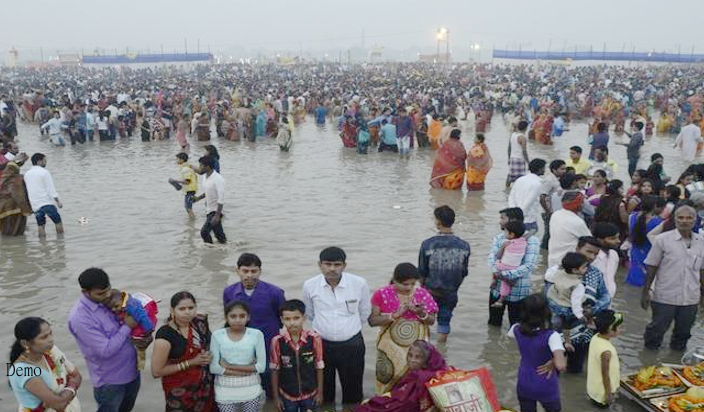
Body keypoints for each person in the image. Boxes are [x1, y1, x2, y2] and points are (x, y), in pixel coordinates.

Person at [68, 268, 145, 412]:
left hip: (133, 372)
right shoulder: (81, 318)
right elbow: (105, 351)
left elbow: (130, 318)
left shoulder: (110, 300)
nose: (107, 295)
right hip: (111, 383)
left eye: (108, 289)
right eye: (100, 293)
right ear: (85, 292)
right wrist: (128, 326)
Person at [302, 246, 371, 405]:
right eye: (327, 264)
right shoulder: (310, 285)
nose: (332, 269)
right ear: (319, 265)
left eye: (337, 264)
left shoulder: (359, 283)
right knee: (324, 391)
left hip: (352, 344)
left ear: (344, 265)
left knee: (353, 391)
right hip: (321, 344)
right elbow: (310, 313)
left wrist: (347, 329)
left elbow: (364, 312)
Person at [223, 253, 286, 398]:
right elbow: (229, 320)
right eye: (245, 271)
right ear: (237, 271)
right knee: (244, 388)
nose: (249, 275)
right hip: (240, 349)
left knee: (271, 386)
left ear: (260, 271)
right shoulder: (229, 292)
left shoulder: (275, 293)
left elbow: (282, 319)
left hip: (268, 347)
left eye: (254, 271)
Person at [641, 205, 704, 350]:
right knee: (656, 331)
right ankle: (649, 361)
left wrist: (702, 297)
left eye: (689, 218)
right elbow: (652, 267)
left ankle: (676, 364)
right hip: (665, 296)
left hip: (690, 298)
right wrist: (645, 292)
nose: (684, 221)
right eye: (680, 217)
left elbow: (702, 271)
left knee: (683, 334)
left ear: (695, 220)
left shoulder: (701, 242)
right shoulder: (662, 240)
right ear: (674, 219)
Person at [368, 263, 438, 393]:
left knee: (415, 379)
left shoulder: (422, 294)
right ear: (395, 280)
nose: (409, 287)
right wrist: (395, 315)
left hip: (416, 348)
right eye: (405, 284)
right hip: (389, 348)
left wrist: (421, 314)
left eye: (413, 284)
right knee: (387, 376)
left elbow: (432, 321)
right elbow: (372, 321)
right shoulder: (381, 294)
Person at [151, 291, 215, 412]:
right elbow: (157, 371)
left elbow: (210, 345)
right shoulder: (166, 334)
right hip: (179, 392)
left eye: (191, 308)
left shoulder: (199, 323)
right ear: (172, 310)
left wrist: (208, 355)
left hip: (205, 387)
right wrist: (191, 362)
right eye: (182, 308)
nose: (187, 312)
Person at [418, 206, 471, 347]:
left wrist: (422, 289)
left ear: (438, 222)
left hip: (430, 290)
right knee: (444, 321)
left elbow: (422, 271)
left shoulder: (427, 244)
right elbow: (464, 271)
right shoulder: (464, 246)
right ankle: (442, 351)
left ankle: (426, 350)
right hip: (451, 291)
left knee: (425, 320)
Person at [9, 317, 82, 412]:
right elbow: (59, 405)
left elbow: (77, 375)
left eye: (50, 333)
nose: (51, 339)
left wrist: (66, 393)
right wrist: (72, 386)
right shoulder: (22, 370)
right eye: (44, 337)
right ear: (25, 343)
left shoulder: (52, 351)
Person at [508, 294, 566, 412]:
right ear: (546, 312)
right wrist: (554, 360)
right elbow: (561, 365)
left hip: (524, 382)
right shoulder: (552, 336)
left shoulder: (515, 329)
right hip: (546, 384)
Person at [353, 340, 447, 412]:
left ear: (426, 361)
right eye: (410, 355)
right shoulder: (435, 373)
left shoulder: (420, 378)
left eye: (417, 357)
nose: (412, 360)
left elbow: (406, 403)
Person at [210, 300, 267, 412]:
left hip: (251, 391)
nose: (238, 320)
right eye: (233, 316)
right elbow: (214, 368)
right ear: (226, 318)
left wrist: (228, 366)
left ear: (248, 317)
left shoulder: (256, 334)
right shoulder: (217, 335)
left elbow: (261, 367)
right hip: (224, 392)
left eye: (242, 316)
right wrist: (247, 371)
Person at [270, 299, 325, 412]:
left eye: (296, 318)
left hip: (310, 394)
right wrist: (276, 398)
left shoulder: (314, 338)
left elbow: (319, 367)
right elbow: (275, 370)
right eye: (287, 319)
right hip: (287, 395)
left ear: (303, 318)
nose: (292, 322)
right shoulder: (277, 341)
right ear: (281, 320)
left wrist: (320, 392)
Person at [488, 207, 539, 326]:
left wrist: (503, 275)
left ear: (514, 221)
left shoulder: (532, 241)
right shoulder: (500, 238)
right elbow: (492, 258)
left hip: (519, 291)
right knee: (493, 324)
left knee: (517, 326)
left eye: (503, 218)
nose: (500, 221)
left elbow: (529, 265)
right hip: (497, 289)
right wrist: (498, 273)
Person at [546, 253, 591, 352]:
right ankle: (567, 341)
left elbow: (548, 277)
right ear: (575, 270)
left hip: (553, 301)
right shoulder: (578, 285)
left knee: (552, 322)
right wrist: (579, 315)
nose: (587, 268)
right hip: (565, 306)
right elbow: (575, 303)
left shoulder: (559, 272)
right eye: (584, 267)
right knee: (567, 325)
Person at [105, 290, 158, 370]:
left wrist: (148, 330)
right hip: (136, 325)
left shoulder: (132, 306)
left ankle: (140, 367)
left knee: (140, 348)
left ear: (121, 300)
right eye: (111, 308)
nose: (113, 309)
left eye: (116, 306)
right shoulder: (121, 303)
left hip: (145, 329)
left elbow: (143, 317)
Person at [627, 196, 666, 286]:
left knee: (633, 280)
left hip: (635, 252)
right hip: (650, 253)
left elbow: (630, 235)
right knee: (648, 282)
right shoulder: (659, 222)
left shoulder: (631, 217)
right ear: (655, 206)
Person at [547, 192, 592, 268]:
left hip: (552, 259)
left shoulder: (556, 214)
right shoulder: (577, 222)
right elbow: (589, 240)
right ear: (578, 205)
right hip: (568, 262)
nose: (583, 205)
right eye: (582, 202)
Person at [587, 311, 622, 407]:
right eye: (619, 327)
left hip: (594, 386)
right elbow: (605, 373)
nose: (621, 329)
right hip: (602, 391)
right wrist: (608, 394)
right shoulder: (606, 351)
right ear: (610, 329)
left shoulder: (596, 337)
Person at [24, 153, 63, 237]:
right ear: (39, 161)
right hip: (46, 202)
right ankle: (61, 242)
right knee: (58, 221)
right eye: (44, 160)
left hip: (35, 204)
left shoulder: (27, 174)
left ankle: (42, 244)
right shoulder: (44, 172)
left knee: (40, 225)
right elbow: (51, 189)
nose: (46, 162)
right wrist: (58, 202)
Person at [490, 221, 527, 308]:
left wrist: (502, 247)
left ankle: (494, 280)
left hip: (504, 266)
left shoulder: (507, 243)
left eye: (506, 231)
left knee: (495, 264)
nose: (504, 233)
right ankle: (501, 299)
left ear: (511, 234)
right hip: (515, 267)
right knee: (505, 284)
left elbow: (499, 256)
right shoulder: (524, 242)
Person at [508, 158, 546, 237]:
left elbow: (511, 197)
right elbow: (529, 201)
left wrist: (513, 213)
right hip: (528, 218)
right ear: (540, 169)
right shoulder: (537, 183)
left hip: (514, 217)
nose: (544, 170)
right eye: (544, 168)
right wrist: (521, 215)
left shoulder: (520, 179)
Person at [195, 155, 226, 244]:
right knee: (219, 236)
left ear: (207, 167)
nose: (199, 168)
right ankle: (223, 251)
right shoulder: (205, 177)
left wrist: (217, 215)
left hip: (215, 211)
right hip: (209, 210)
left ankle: (210, 250)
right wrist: (198, 198)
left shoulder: (218, 179)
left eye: (201, 165)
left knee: (204, 232)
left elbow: (221, 198)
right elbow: (207, 192)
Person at [540, 160, 567, 249]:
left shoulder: (556, 179)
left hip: (554, 211)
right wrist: (548, 211)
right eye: (562, 169)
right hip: (548, 211)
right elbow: (542, 197)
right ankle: (543, 252)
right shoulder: (549, 180)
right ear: (554, 170)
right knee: (548, 234)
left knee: (552, 233)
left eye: (565, 169)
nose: (564, 171)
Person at [591, 222, 622, 298]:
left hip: (608, 299)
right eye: (613, 238)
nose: (618, 241)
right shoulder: (592, 258)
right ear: (600, 240)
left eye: (618, 237)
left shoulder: (614, 255)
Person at [0, 162, 32, 236]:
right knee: (16, 229)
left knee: (5, 229)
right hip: (15, 208)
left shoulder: (3, 179)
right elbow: (18, 194)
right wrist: (26, 208)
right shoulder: (18, 179)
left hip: (2, 208)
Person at [169, 153, 198, 219]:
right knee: (187, 207)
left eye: (177, 159)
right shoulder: (186, 167)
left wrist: (175, 181)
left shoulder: (185, 169)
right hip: (190, 190)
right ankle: (192, 221)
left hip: (190, 190)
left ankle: (192, 221)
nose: (176, 161)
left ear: (182, 160)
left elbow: (187, 181)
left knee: (188, 207)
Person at [506, 120, 530, 187]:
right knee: (520, 179)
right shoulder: (522, 137)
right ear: (525, 128)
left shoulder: (513, 135)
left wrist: (509, 158)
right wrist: (528, 162)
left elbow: (509, 149)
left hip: (512, 158)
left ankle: (506, 190)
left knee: (511, 176)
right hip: (519, 159)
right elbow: (524, 151)